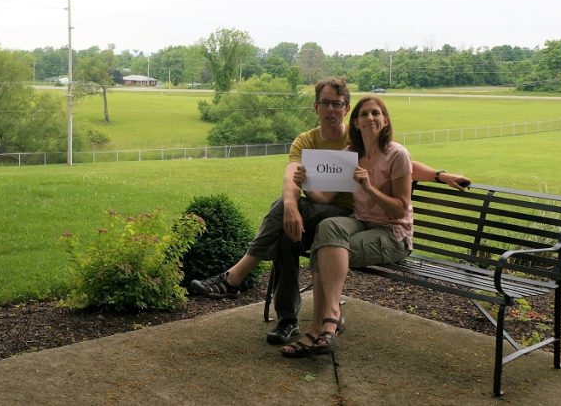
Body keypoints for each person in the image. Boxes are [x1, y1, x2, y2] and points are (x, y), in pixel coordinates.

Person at [189, 79, 470, 345]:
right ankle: (288, 321)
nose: (331, 109)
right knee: (288, 234)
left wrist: (440, 174)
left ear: (347, 109)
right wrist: (291, 206)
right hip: (328, 214)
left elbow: (397, 158)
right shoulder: (309, 140)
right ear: (316, 107)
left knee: (308, 231)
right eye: (325, 103)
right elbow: (291, 176)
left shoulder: (358, 133)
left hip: (348, 217)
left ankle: (239, 278)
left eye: (337, 104)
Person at [281, 95, 413, 357]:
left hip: (392, 233)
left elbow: (400, 208)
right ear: (355, 121)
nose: (370, 118)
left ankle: (322, 326)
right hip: (361, 222)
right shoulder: (350, 155)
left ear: (385, 120)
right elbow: (325, 198)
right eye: (364, 114)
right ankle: (329, 321)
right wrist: (305, 182)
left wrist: (368, 188)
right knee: (328, 227)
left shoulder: (397, 155)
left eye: (376, 113)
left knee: (325, 249)